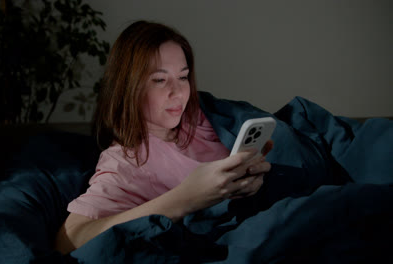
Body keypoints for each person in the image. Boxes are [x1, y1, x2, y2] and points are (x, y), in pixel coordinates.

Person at [54, 20, 273, 254]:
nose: (178, 92)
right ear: (129, 87)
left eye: (183, 77)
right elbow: (69, 239)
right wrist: (187, 198)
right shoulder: (125, 161)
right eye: (159, 80)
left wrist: (250, 178)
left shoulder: (200, 117)